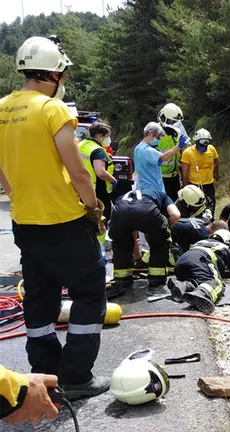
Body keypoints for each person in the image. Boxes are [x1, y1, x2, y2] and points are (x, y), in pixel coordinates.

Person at [0, 35, 110, 399]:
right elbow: (78, 171)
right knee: (89, 291)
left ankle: (45, 376)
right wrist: (92, 207)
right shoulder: (53, 110)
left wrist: (16, 195)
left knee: (39, 296)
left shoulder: (1, 109)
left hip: (25, 222)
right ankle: (75, 377)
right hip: (64, 220)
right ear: (53, 74)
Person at [110, 187, 181, 298]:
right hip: (147, 210)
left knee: (121, 243)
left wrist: (139, 259)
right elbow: (175, 215)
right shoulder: (162, 194)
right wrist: (162, 229)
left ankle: (122, 281)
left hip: (119, 212)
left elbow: (132, 235)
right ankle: (156, 282)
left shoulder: (125, 196)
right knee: (160, 241)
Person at [170, 229, 230, 314]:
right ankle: (202, 293)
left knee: (201, 280)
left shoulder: (201, 242)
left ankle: (183, 286)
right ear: (228, 241)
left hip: (181, 263)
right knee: (216, 283)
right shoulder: (224, 247)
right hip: (201, 260)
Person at [78, 121, 117, 222]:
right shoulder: (98, 150)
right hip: (97, 193)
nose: (108, 139)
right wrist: (113, 180)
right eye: (107, 136)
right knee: (100, 220)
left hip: (79, 189)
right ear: (100, 136)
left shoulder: (80, 145)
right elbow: (101, 172)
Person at [181, 128, 219, 214]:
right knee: (196, 208)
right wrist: (186, 188)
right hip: (194, 186)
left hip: (208, 185)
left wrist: (216, 174)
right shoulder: (188, 153)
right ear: (197, 142)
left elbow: (216, 162)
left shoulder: (211, 149)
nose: (204, 146)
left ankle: (210, 220)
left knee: (211, 206)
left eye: (206, 144)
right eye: (202, 144)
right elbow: (184, 174)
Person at [156, 103, 188, 200]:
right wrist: (178, 146)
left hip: (174, 177)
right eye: (171, 121)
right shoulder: (155, 133)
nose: (174, 124)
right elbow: (158, 157)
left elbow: (179, 155)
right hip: (159, 178)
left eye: (176, 122)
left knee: (175, 203)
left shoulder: (175, 133)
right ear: (163, 118)